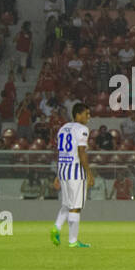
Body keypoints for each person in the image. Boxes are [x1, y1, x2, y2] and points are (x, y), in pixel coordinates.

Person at [51, 102, 94, 248]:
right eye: (86, 114)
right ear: (78, 115)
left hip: (64, 169)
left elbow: (61, 153)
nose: (88, 117)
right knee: (76, 207)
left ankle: (56, 227)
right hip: (75, 172)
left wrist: (58, 174)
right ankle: (73, 241)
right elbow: (81, 152)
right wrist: (89, 173)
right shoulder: (82, 129)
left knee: (67, 204)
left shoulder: (63, 128)